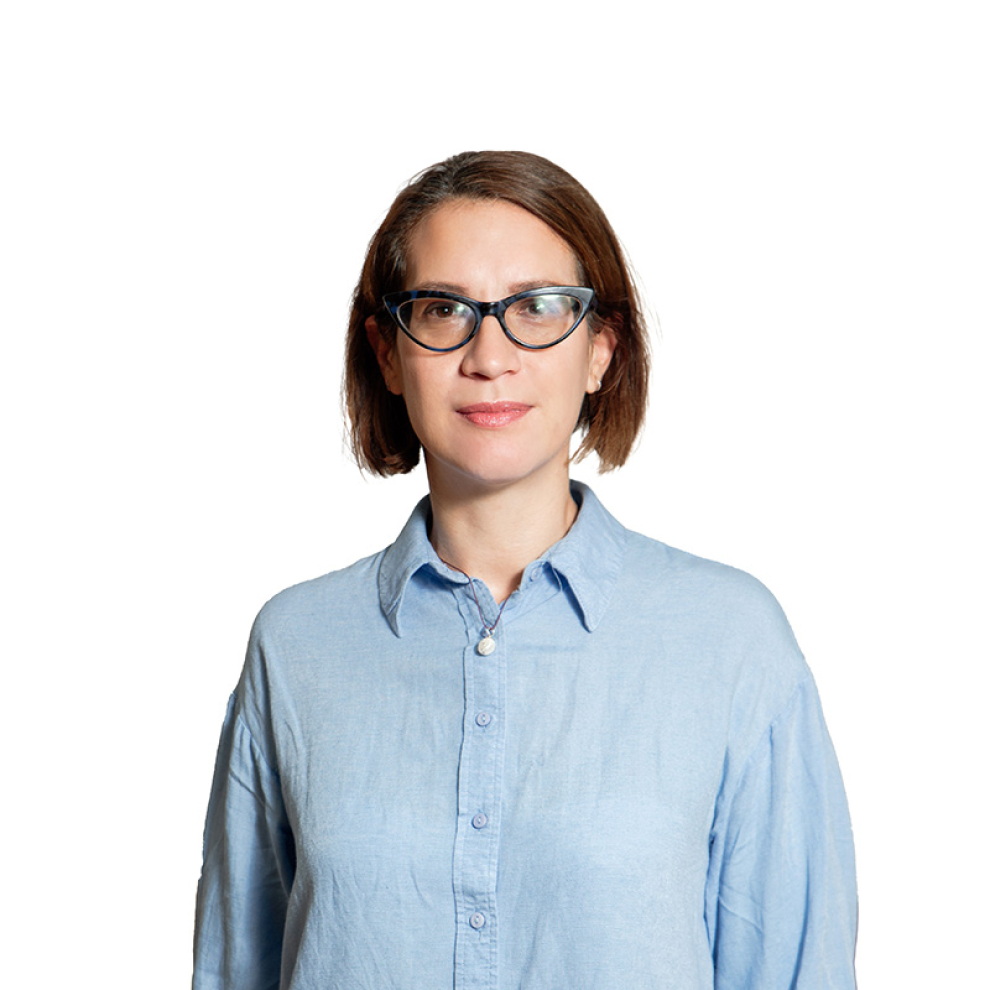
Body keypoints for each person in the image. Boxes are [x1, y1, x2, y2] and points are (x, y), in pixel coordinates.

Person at [192, 151, 857, 989]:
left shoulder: (730, 639)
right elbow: (234, 969)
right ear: (388, 352)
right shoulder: (295, 645)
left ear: (601, 348)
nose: (490, 355)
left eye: (538, 307)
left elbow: (796, 969)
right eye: (443, 309)